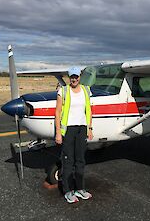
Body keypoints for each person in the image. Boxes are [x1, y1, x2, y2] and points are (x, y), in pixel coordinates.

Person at [55, 66, 93, 203]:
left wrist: (90, 128)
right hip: (69, 130)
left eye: (76, 76)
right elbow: (57, 112)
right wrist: (58, 133)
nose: (74, 79)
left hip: (82, 129)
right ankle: (68, 191)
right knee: (68, 161)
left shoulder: (86, 90)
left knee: (81, 160)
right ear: (69, 77)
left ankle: (80, 189)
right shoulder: (63, 91)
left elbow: (89, 110)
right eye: (72, 77)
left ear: (80, 77)